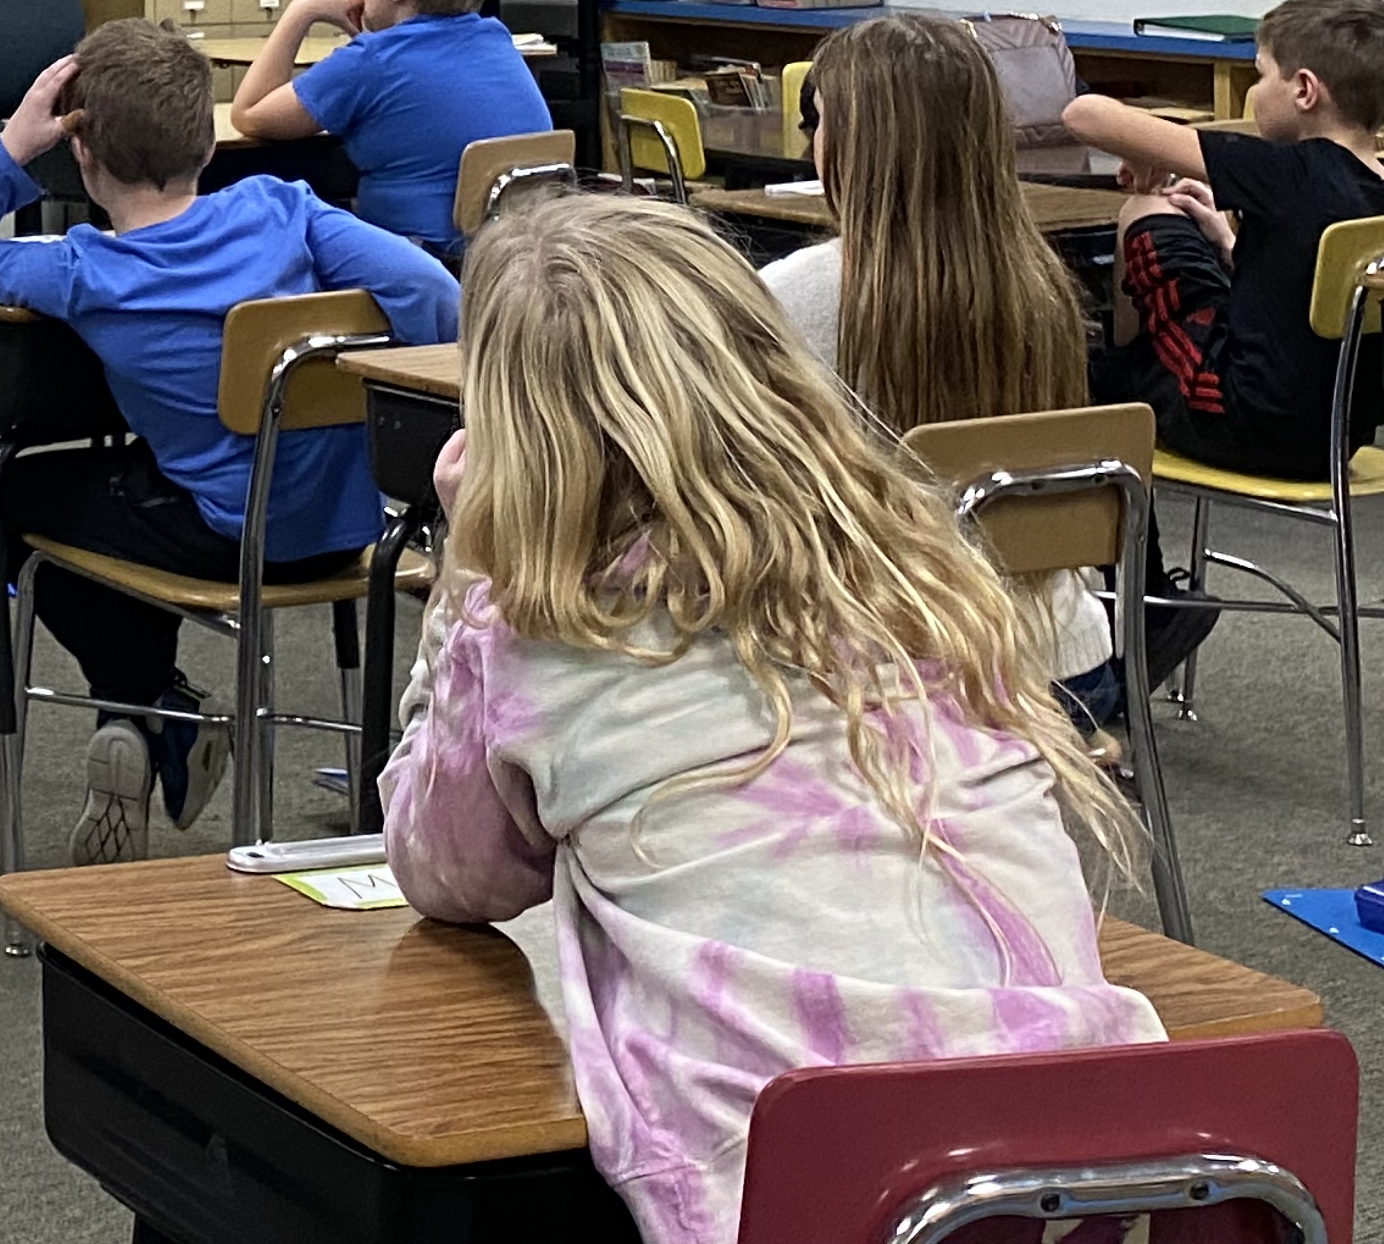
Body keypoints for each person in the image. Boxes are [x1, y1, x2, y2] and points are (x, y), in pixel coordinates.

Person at [382, 194, 1155, 1244]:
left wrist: (472, 567)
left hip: (806, 1187)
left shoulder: (543, 638)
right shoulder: (920, 571)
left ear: (518, 436)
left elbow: (447, 874)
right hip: (1077, 1152)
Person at [0, 18, 458, 863]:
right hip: (350, 532)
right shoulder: (285, 210)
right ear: (207, 142)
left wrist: (16, 145)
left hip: (227, 539)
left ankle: (147, 705)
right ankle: (150, 712)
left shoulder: (85, 270)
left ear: (81, 153)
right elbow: (432, 290)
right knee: (129, 481)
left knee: (18, 486)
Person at [757, 12, 1115, 723]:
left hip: (891, 674)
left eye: (819, 122)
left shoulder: (790, 294)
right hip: (1062, 662)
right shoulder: (1044, 285)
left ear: (854, 146)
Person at [1065, 0, 1384, 479]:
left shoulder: (1288, 171)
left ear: (1304, 90)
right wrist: (1227, 243)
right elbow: (1309, 292)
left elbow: (1085, 114)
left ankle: (1124, 389)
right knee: (1195, 228)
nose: (1253, 91)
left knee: (1146, 209)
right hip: (1335, 437)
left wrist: (1149, 149)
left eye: (1260, 73)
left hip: (1239, 421)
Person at [221, 0, 551, 257]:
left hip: (419, 259)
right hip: (513, 259)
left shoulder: (372, 61)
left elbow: (250, 114)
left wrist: (304, 9)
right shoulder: (495, 38)